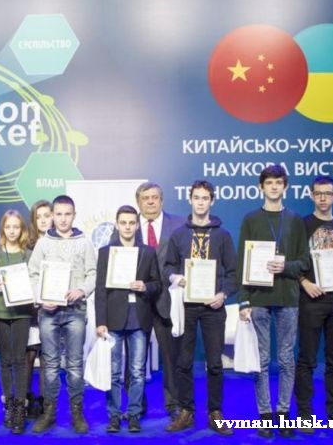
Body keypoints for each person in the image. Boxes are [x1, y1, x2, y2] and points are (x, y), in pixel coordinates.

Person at [236, 165, 308, 438]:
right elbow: (243, 262)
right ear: (261, 187)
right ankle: (265, 414)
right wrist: (243, 301)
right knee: (262, 359)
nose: (274, 187)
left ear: (285, 187)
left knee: (286, 359)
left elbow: (304, 261)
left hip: (288, 297)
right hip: (259, 298)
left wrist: (285, 266)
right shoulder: (251, 219)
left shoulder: (295, 220)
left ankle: (283, 412)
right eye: (269, 182)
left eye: (279, 182)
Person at [163, 180, 236, 435]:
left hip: (213, 307)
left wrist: (223, 294)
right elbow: (168, 266)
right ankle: (186, 411)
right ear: (190, 200)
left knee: (215, 363)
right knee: (183, 361)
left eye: (205, 198)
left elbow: (233, 273)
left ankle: (215, 412)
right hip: (186, 306)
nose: (201, 202)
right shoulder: (179, 235)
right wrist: (175, 277)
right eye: (197, 197)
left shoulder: (223, 235)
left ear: (212, 201)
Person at [29, 195, 96, 434]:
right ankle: (49, 413)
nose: (63, 219)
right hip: (48, 313)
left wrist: (82, 290)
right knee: (50, 365)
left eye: (68, 214)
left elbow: (93, 273)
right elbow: (33, 274)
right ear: (52, 216)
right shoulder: (43, 243)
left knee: (75, 364)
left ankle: (77, 413)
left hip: (75, 311)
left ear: (74, 215)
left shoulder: (84, 242)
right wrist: (41, 298)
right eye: (58, 214)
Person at [295, 175, 333, 433]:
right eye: (318, 193)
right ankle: (305, 416)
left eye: (328, 193)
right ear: (311, 195)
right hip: (311, 300)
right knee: (307, 360)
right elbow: (292, 260)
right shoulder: (301, 225)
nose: (323, 198)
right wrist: (303, 282)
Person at [95, 205, 160, 433]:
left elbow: (157, 284)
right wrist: (100, 321)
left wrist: (145, 286)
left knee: (137, 372)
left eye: (132, 223)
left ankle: (133, 414)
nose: (127, 227)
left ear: (137, 225)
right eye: (123, 223)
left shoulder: (148, 252)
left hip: (139, 319)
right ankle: (114, 415)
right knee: (113, 372)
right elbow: (100, 290)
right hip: (113, 319)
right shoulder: (106, 252)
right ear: (117, 224)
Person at [135, 182, 185, 417]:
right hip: (138, 302)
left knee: (171, 357)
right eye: (145, 198)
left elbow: (185, 259)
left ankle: (174, 403)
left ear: (162, 200)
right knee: (136, 358)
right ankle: (136, 405)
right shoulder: (129, 225)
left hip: (169, 301)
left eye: (155, 197)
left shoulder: (179, 224)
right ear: (138, 202)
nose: (150, 202)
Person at [0, 210, 33, 434]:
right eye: (8, 227)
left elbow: (35, 282)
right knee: (5, 360)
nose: (12, 231)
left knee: (19, 360)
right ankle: (8, 404)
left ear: (22, 229)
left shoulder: (28, 255)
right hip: (0, 312)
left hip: (22, 313)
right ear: (3, 229)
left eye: (16, 227)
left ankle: (19, 407)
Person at [24, 200, 52, 418]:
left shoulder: (59, 244)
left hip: (53, 307)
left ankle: (44, 401)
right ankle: (25, 399)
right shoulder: (27, 247)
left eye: (46, 215)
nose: (43, 220)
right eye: (38, 216)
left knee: (47, 356)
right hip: (31, 308)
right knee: (29, 353)